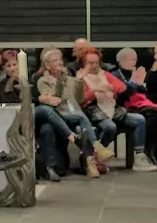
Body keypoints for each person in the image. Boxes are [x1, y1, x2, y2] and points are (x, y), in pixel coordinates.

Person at [35, 47, 112, 178]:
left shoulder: (69, 79)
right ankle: (97, 147)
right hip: (59, 116)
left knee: (81, 129)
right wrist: (60, 81)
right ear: (47, 65)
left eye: (60, 59)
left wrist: (79, 81)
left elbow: (79, 99)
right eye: (55, 60)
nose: (59, 62)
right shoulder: (43, 81)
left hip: (74, 115)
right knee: (81, 117)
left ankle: (90, 165)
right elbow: (55, 99)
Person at [77, 48, 148, 176]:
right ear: (84, 63)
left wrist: (111, 87)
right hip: (94, 112)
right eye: (90, 63)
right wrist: (95, 90)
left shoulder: (104, 74)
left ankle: (139, 157)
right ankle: (96, 155)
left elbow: (122, 87)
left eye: (96, 62)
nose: (94, 66)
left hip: (113, 110)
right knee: (110, 127)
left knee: (139, 119)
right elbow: (81, 100)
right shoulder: (80, 78)